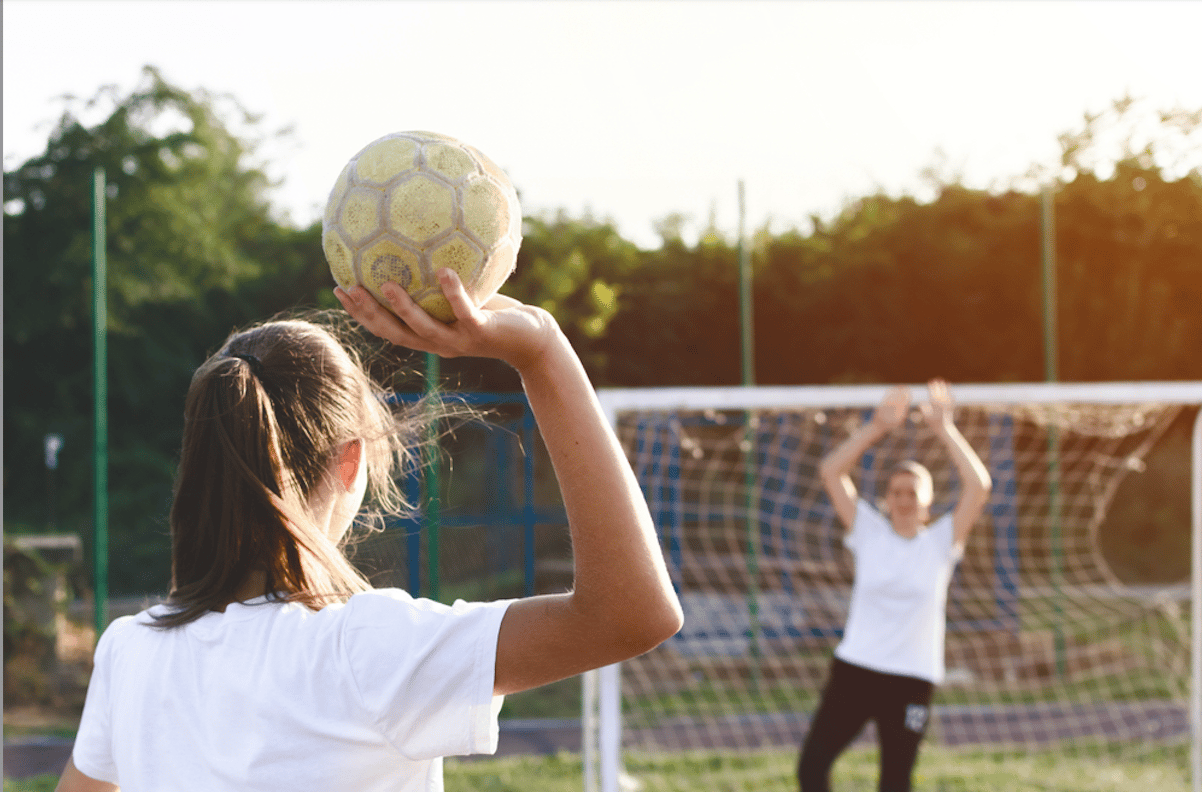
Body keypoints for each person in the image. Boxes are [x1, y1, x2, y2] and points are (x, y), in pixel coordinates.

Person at [57, 269, 684, 792]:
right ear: (351, 459)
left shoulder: (129, 651)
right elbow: (634, 615)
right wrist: (542, 350)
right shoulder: (368, 650)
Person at [797, 379, 991, 792]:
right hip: (856, 670)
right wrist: (878, 427)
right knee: (812, 768)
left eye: (913, 492)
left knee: (896, 781)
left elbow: (979, 486)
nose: (904, 498)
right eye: (896, 491)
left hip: (912, 677)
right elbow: (831, 471)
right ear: (887, 499)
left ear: (927, 504)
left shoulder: (941, 541)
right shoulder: (869, 532)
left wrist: (944, 428)